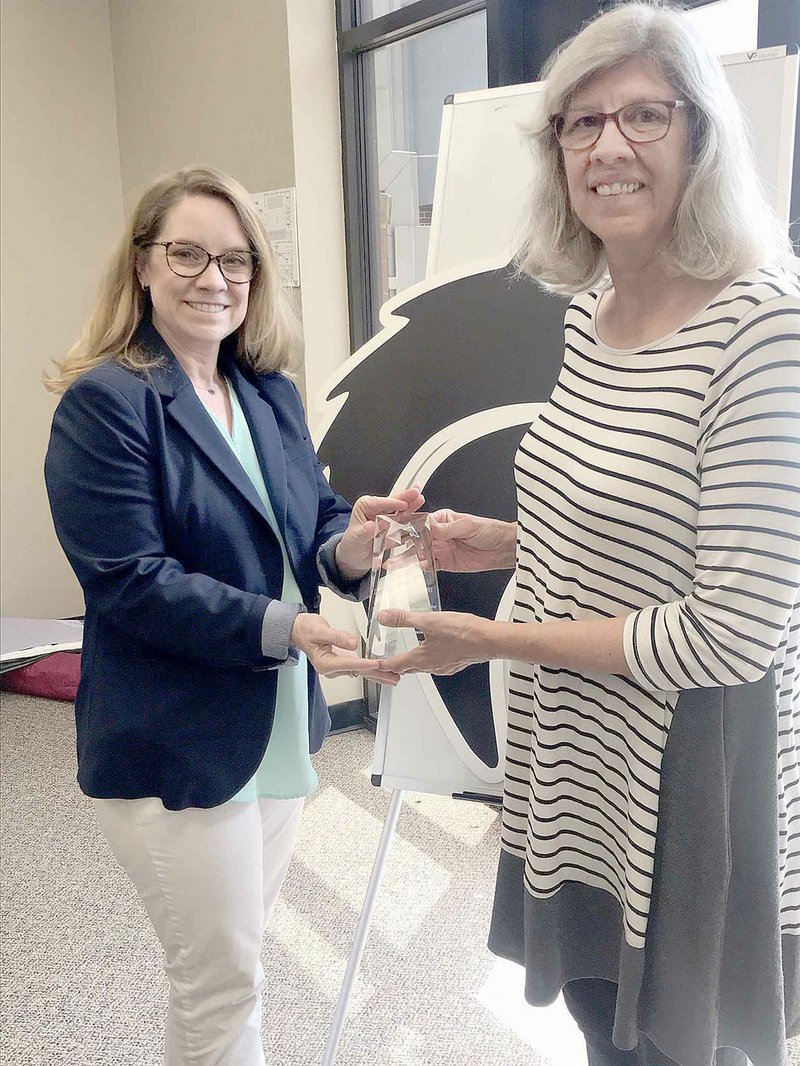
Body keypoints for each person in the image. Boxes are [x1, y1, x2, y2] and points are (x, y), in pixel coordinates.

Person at [377, 3, 800, 1064]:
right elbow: (636, 517)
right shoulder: (591, 312)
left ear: (700, 137)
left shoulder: (763, 326)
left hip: (684, 767)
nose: (608, 146)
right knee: (594, 1019)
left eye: (645, 116)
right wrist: (509, 540)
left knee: (663, 1041)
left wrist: (489, 640)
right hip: (578, 753)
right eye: (580, 123)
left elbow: (727, 633)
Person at [43, 165, 423, 1066]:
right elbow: (129, 579)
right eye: (187, 254)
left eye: (237, 260)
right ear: (141, 265)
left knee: (236, 969)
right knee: (221, 981)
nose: (214, 278)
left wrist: (355, 543)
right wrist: (285, 626)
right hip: (176, 735)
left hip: (271, 725)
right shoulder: (109, 401)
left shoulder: (269, 394)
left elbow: (312, 525)